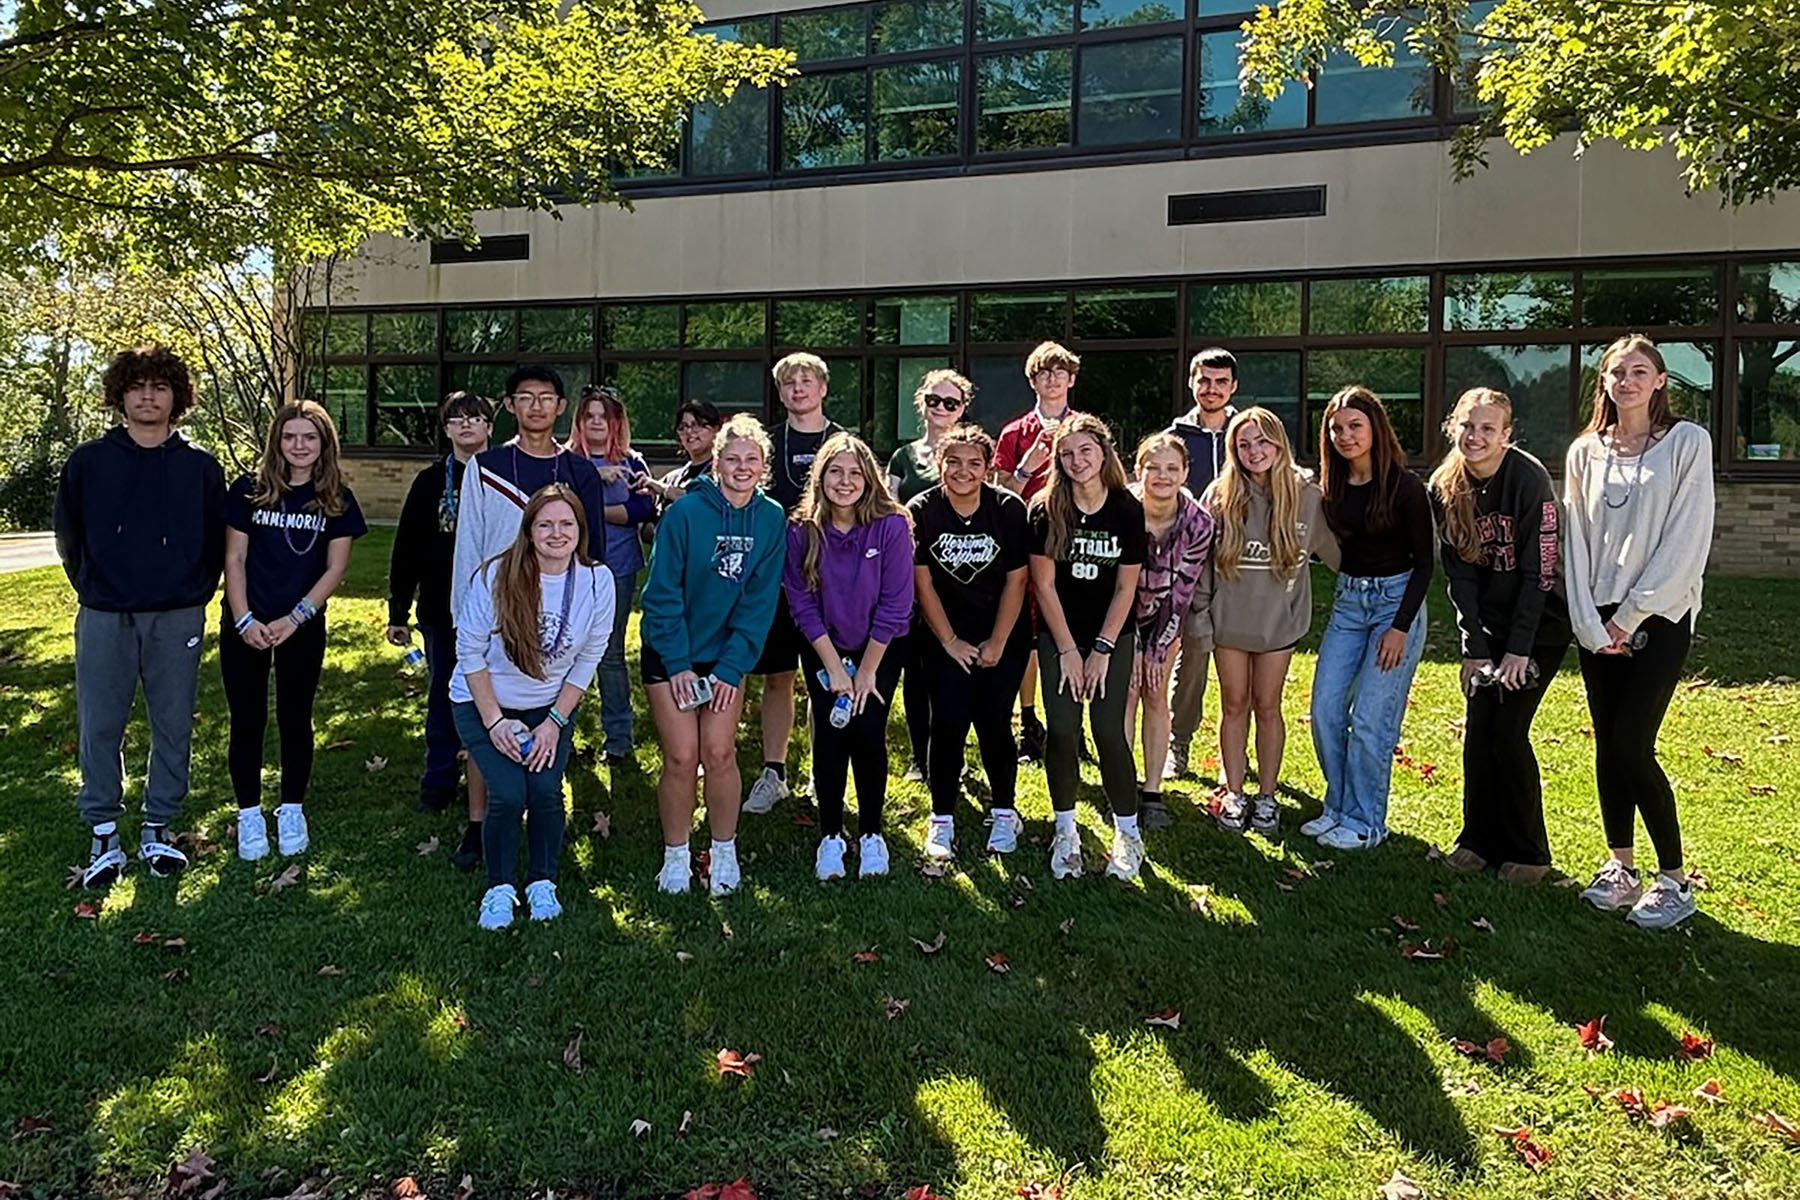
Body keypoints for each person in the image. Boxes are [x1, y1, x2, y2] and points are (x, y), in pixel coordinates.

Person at [54, 346, 225, 887]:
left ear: (177, 397)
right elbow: (68, 534)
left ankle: (159, 826)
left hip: (177, 615)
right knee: (100, 723)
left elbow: (217, 541)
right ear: (121, 395)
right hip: (105, 613)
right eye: (138, 387)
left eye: (159, 387)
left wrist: (196, 590)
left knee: (172, 723)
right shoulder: (88, 461)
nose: (148, 396)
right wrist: (91, 586)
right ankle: (104, 828)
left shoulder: (200, 467)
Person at [1565, 334, 1714, 930]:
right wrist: (1589, 621)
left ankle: (1674, 882)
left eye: (1639, 371)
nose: (1626, 381)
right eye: (1615, 372)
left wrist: (1631, 616)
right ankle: (1620, 867)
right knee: (1608, 745)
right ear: (1603, 383)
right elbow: (1573, 544)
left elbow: (1687, 539)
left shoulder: (1687, 444)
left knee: (1632, 744)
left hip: (1659, 617)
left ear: (1659, 382)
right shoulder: (1584, 453)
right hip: (1597, 622)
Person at [449, 364, 607, 871]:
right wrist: (462, 618)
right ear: (510, 406)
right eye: (525, 397)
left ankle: (543, 816)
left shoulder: (579, 472)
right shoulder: (487, 465)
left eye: (547, 398)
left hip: (556, 620)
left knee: (545, 721)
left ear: (562, 408)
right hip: (493, 616)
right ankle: (479, 824)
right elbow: (468, 543)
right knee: (489, 718)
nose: (536, 406)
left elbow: (593, 549)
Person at [452, 484, 613, 930]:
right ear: (529, 531)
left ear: (580, 530)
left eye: (566, 524)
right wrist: (496, 723)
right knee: (506, 793)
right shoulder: (497, 575)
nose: (556, 533)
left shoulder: (598, 581)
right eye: (545, 524)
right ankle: (499, 887)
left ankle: (542, 880)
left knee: (544, 791)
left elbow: (589, 657)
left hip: (548, 707)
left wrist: (555, 724)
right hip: (482, 702)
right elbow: (469, 654)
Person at [1427, 388, 1571, 884]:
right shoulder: (1445, 485)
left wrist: (1518, 649)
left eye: (1488, 428)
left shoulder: (1528, 480)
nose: (1476, 436)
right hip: (1489, 632)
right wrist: (1475, 647)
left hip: (1539, 628)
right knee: (1480, 735)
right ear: (1453, 427)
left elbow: (1540, 571)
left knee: (1509, 734)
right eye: (1468, 426)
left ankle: (1530, 853)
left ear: (1506, 436)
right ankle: (1477, 841)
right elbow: (1460, 576)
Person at [639, 414, 787, 896]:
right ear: (716, 462)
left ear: (764, 465)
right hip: (672, 650)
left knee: (720, 752)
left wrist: (730, 668)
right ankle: (676, 855)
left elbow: (759, 602)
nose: (742, 467)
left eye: (752, 459)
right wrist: (679, 665)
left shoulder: (770, 518)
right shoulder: (685, 513)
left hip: (725, 655)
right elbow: (661, 596)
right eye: (732, 458)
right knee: (682, 756)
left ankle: (723, 851)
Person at [221, 400, 367, 860]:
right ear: (276, 441)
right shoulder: (249, 489)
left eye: (309, 437)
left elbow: (335, 568)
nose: (299, 446)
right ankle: (248, 814)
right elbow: (234, 559)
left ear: (324, 443)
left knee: (294, 718)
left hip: (300, 624)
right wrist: (244, 618)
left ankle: (291, 808)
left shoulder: (337, 497)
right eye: (290, 437)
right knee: (247, 720)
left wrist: (295, 618)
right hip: (246, 622)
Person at [1190, 408, 1339, 836]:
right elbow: (1200, 562)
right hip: (1229, 622)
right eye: (1244, 444)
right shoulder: (1221, 494)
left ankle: (1267, 797)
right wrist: (1200, 617)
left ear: (1279, 444)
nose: (1254, 451)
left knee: (1268, 706)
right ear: (1234, 451)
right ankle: (1234, 793)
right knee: (1234, 705)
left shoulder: (1307, 496)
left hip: (1279, 624)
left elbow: (1337, 553)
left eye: (1263, 442)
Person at [1307, 386, 1433, 851]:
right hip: (1348, 603)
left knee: (1371, 720)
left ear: (1375, 429)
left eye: (1354, 426)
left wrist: (1399, 627)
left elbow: (1425, 564)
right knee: (1324, 710)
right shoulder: (1332, 486)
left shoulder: (1406, 487)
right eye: (1336, 428)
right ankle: (1338, 806)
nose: (1345, 435)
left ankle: (1366, 822)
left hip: (1394, 604)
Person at [784, 433, 915, 880]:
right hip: (824, 644)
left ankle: (872, 833)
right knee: (831, 732)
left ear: (869, 478)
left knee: (869, 731)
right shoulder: (802, 528)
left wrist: (868, 672)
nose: (845, 481)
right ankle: (831, 835)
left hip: (880, 645)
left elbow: (897, 603)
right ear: (820, 477)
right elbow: (800, 602)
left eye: (855, 472)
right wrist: (834, 666)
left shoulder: (892, 525)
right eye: (835, 472)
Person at [1029, 413, 1148, 881]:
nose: (1077, 461)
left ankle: (1128, 831)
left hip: (1112, 636)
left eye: (1086, 451)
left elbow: (1126, 588)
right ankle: (1066, 829)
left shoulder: (1125, 508)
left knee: (1107, 731)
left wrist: (1099, 649)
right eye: (1067, 453)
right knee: (1061, 729)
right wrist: (1068, 650)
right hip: (1059, 635)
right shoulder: (1045, 508)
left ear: (1103, 453)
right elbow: (1044, 584)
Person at [908, 424, 1031, 860]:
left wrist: (997, 641)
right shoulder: (921, 510)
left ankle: (1003, 812)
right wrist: (950, 641)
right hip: (944, 635)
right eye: (953, 462)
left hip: (1003, 631)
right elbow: (922, 583)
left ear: (988, 467)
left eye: (974, 463)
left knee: (994, 720)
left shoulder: (1009, 510)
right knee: (948, 721)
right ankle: (941, 818)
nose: (963, 471)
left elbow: (1018, 580)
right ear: (938, 463)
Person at [743, 353, 845, 816]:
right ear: (780, 392)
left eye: (806, 381)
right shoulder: (766, 444)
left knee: (827, 676)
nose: (798, 389)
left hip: (833, 581)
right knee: (779, 677)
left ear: (823, 388)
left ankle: (823, 771)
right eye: (789, 383)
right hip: (775, 579)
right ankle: (774, 771)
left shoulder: (843, 443)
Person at [385, 391, 494, 816]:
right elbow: (406, 546)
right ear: (447, 428)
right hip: (440, 608)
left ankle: (497, 778)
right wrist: (398, 610)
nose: (466, 425)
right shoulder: (430, 482)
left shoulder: (505, 475)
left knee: (501, 694)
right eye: (457, 419)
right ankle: (440, 778)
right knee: (445, 693)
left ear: (489, 426)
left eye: (476, 417)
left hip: (498, 609)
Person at [886, 368, 975, 783]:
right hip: (910, 575)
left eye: (951, 402)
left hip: (963, 576)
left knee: (955, 672)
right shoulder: (904, 458)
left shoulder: (972, 452)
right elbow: (886, 510)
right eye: (935, 400)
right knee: (917, 671)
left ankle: (953, 755)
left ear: (962, 409)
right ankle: (921, 758)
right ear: (922, 404)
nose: (942, 408)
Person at [995, 341, 1081, 762]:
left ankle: (1073, 721)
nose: (1052, 379)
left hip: (1073, 543)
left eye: (1059, 371)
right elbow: (998, 495)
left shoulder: (1084, 427)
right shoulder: (1014, 432)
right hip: (1026, 543)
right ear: (1033, 380)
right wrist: (1026, 467)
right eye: (1044, 372)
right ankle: (1029, 721)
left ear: (1071, 379)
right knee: (1027, 635)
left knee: (1074, 627)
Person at [1124, 432, 1213, 831]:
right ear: (1138, 470)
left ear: (1185, 473)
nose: (1162, 476)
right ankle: (1122, 783)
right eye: (1153, 467)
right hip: (1117, 613)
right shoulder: (1120, 508)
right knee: (1125, 691)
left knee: (1155, 690)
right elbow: (1115, 586)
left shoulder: (1198, 522)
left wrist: (1157, 649)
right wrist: (1130, 645)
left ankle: (1153, 789)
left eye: (1172, 468)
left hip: (1166, 613)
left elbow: (1181, 593)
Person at [568, 384, 653, 768]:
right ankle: (560, 735)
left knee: (611, 654)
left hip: (618, 569)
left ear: (617, 422)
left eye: (605, 416)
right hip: (569, 568)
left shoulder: (633, 462)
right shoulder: (565, 461)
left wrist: (589, 504)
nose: (597, 422)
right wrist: (595, 482)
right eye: (590, 416)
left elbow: (640, 511)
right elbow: (552, 507)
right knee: (563, 650)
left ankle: (618, 738)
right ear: (579, 422)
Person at [1165, 348, 1238, 778]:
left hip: (1238, 564)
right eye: (1204, 380)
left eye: (1221, 382)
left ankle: (1237, 747)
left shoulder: (1246, 432)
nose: (1212, 389)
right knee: (1191, 655)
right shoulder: (1175, 436)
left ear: (1233, 387)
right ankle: (1180, 742)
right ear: (1192, 382)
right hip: (1189, 562)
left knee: (1239, 661)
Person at [644, 399, 723, 514]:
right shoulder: (672, 478)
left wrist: (664, 490)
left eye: (696, 425)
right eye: (683, 427)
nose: (689, 432)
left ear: (717, 430)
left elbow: (701, 503)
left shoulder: (723, 474)